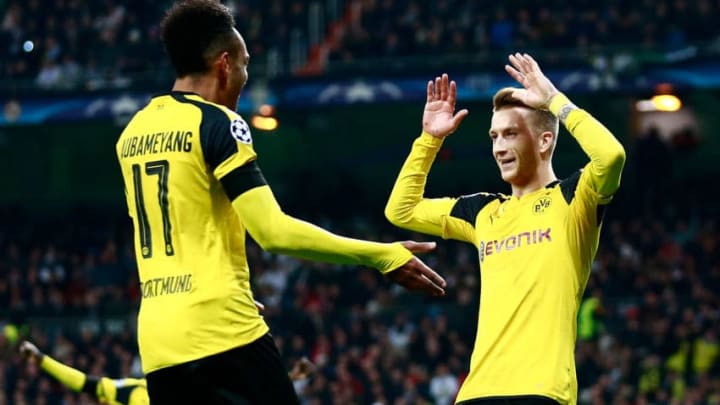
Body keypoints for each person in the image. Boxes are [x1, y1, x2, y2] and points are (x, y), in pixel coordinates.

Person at [114, 1, 445, 404]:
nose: (245, 75)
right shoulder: (218, 123)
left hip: (158, 340)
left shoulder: (133, 132)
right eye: (244, 64)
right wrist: (380, 255)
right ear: (224, 64)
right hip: (220, 328)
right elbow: (273, 232)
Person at [385, 53, 626, 404]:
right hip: (476, 392)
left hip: (542, 391)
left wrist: (554, 101)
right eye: (494, 136)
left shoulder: (574, 198)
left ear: (544, 141)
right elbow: (401, 210)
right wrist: (429, 140)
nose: (499, 147)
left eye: (510, 134)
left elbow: (612, 156)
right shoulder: (483, 211)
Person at [19, 340, 316, 405]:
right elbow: (83, 382)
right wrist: (41, 359)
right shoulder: (126, 391)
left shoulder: (182, 387)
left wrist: (289, 377)